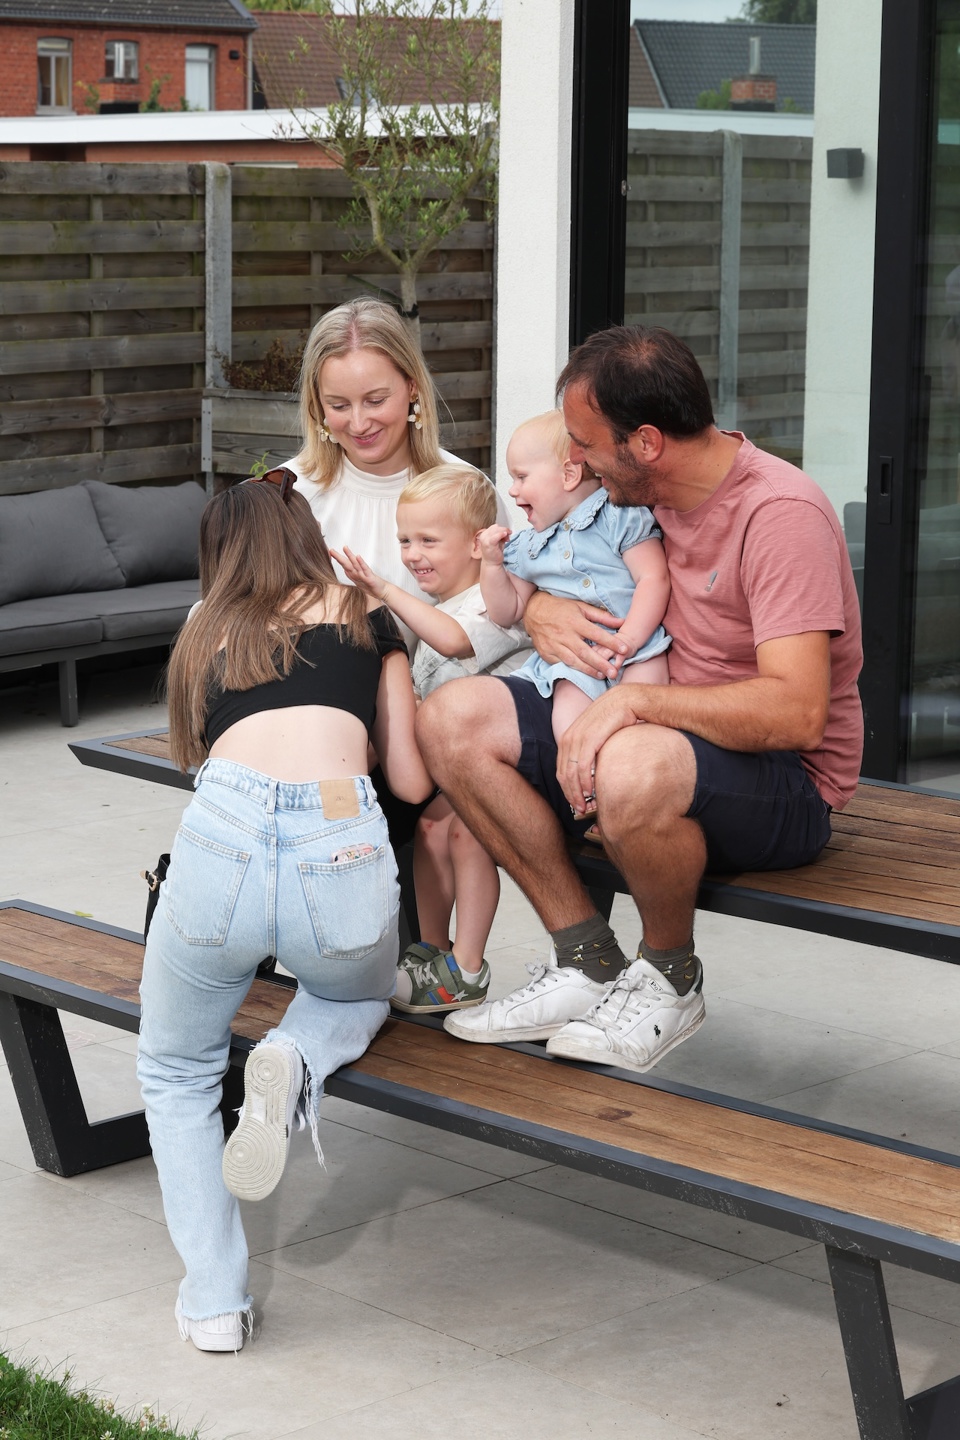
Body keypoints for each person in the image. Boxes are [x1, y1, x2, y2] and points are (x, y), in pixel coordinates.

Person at [418, 325, 863, 1073]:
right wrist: (536, 612)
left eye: (586, 447)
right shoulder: (640, 497)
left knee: (630, 762)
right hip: (654, 737)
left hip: (784, 782)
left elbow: (797, 712)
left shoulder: (781, 515)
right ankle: (586, 954)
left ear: (646, 443)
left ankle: (668, 974)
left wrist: (634, 706)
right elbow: (560, 572)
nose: (577, 462)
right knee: (451, 718)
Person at [136, 474, 432, 1353]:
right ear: (305, 533)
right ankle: (295, 1055)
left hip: (222, 828)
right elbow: (411, 783)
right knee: (356, 996)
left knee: (178, 1070)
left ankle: (215, 1304)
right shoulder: (366, 617)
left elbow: (193, 755)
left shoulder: (203, 627)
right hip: (338, 830)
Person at [333, 463, 530, 1012]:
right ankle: (431, 951)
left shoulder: (500, 601)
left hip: (502, 763)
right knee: (428, 831)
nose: (412, 552)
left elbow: (456, 644)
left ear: (475, 544)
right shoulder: (439, 605)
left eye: (427, 540)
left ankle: (468, 965)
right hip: (454, 767)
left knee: (465, 838)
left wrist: (382, 588)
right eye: (404, 540)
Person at [478, 409, 670, 749]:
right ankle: (584, 788)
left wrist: (628, 640)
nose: (511, 490)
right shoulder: (531, 546)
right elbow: (506, 611)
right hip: (576, 663)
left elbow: (653, 578)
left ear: (568, 475)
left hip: (638, 652)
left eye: (521, 477)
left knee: (643, 725)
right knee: (567, 725)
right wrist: (492, 566)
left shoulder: (618, 514)